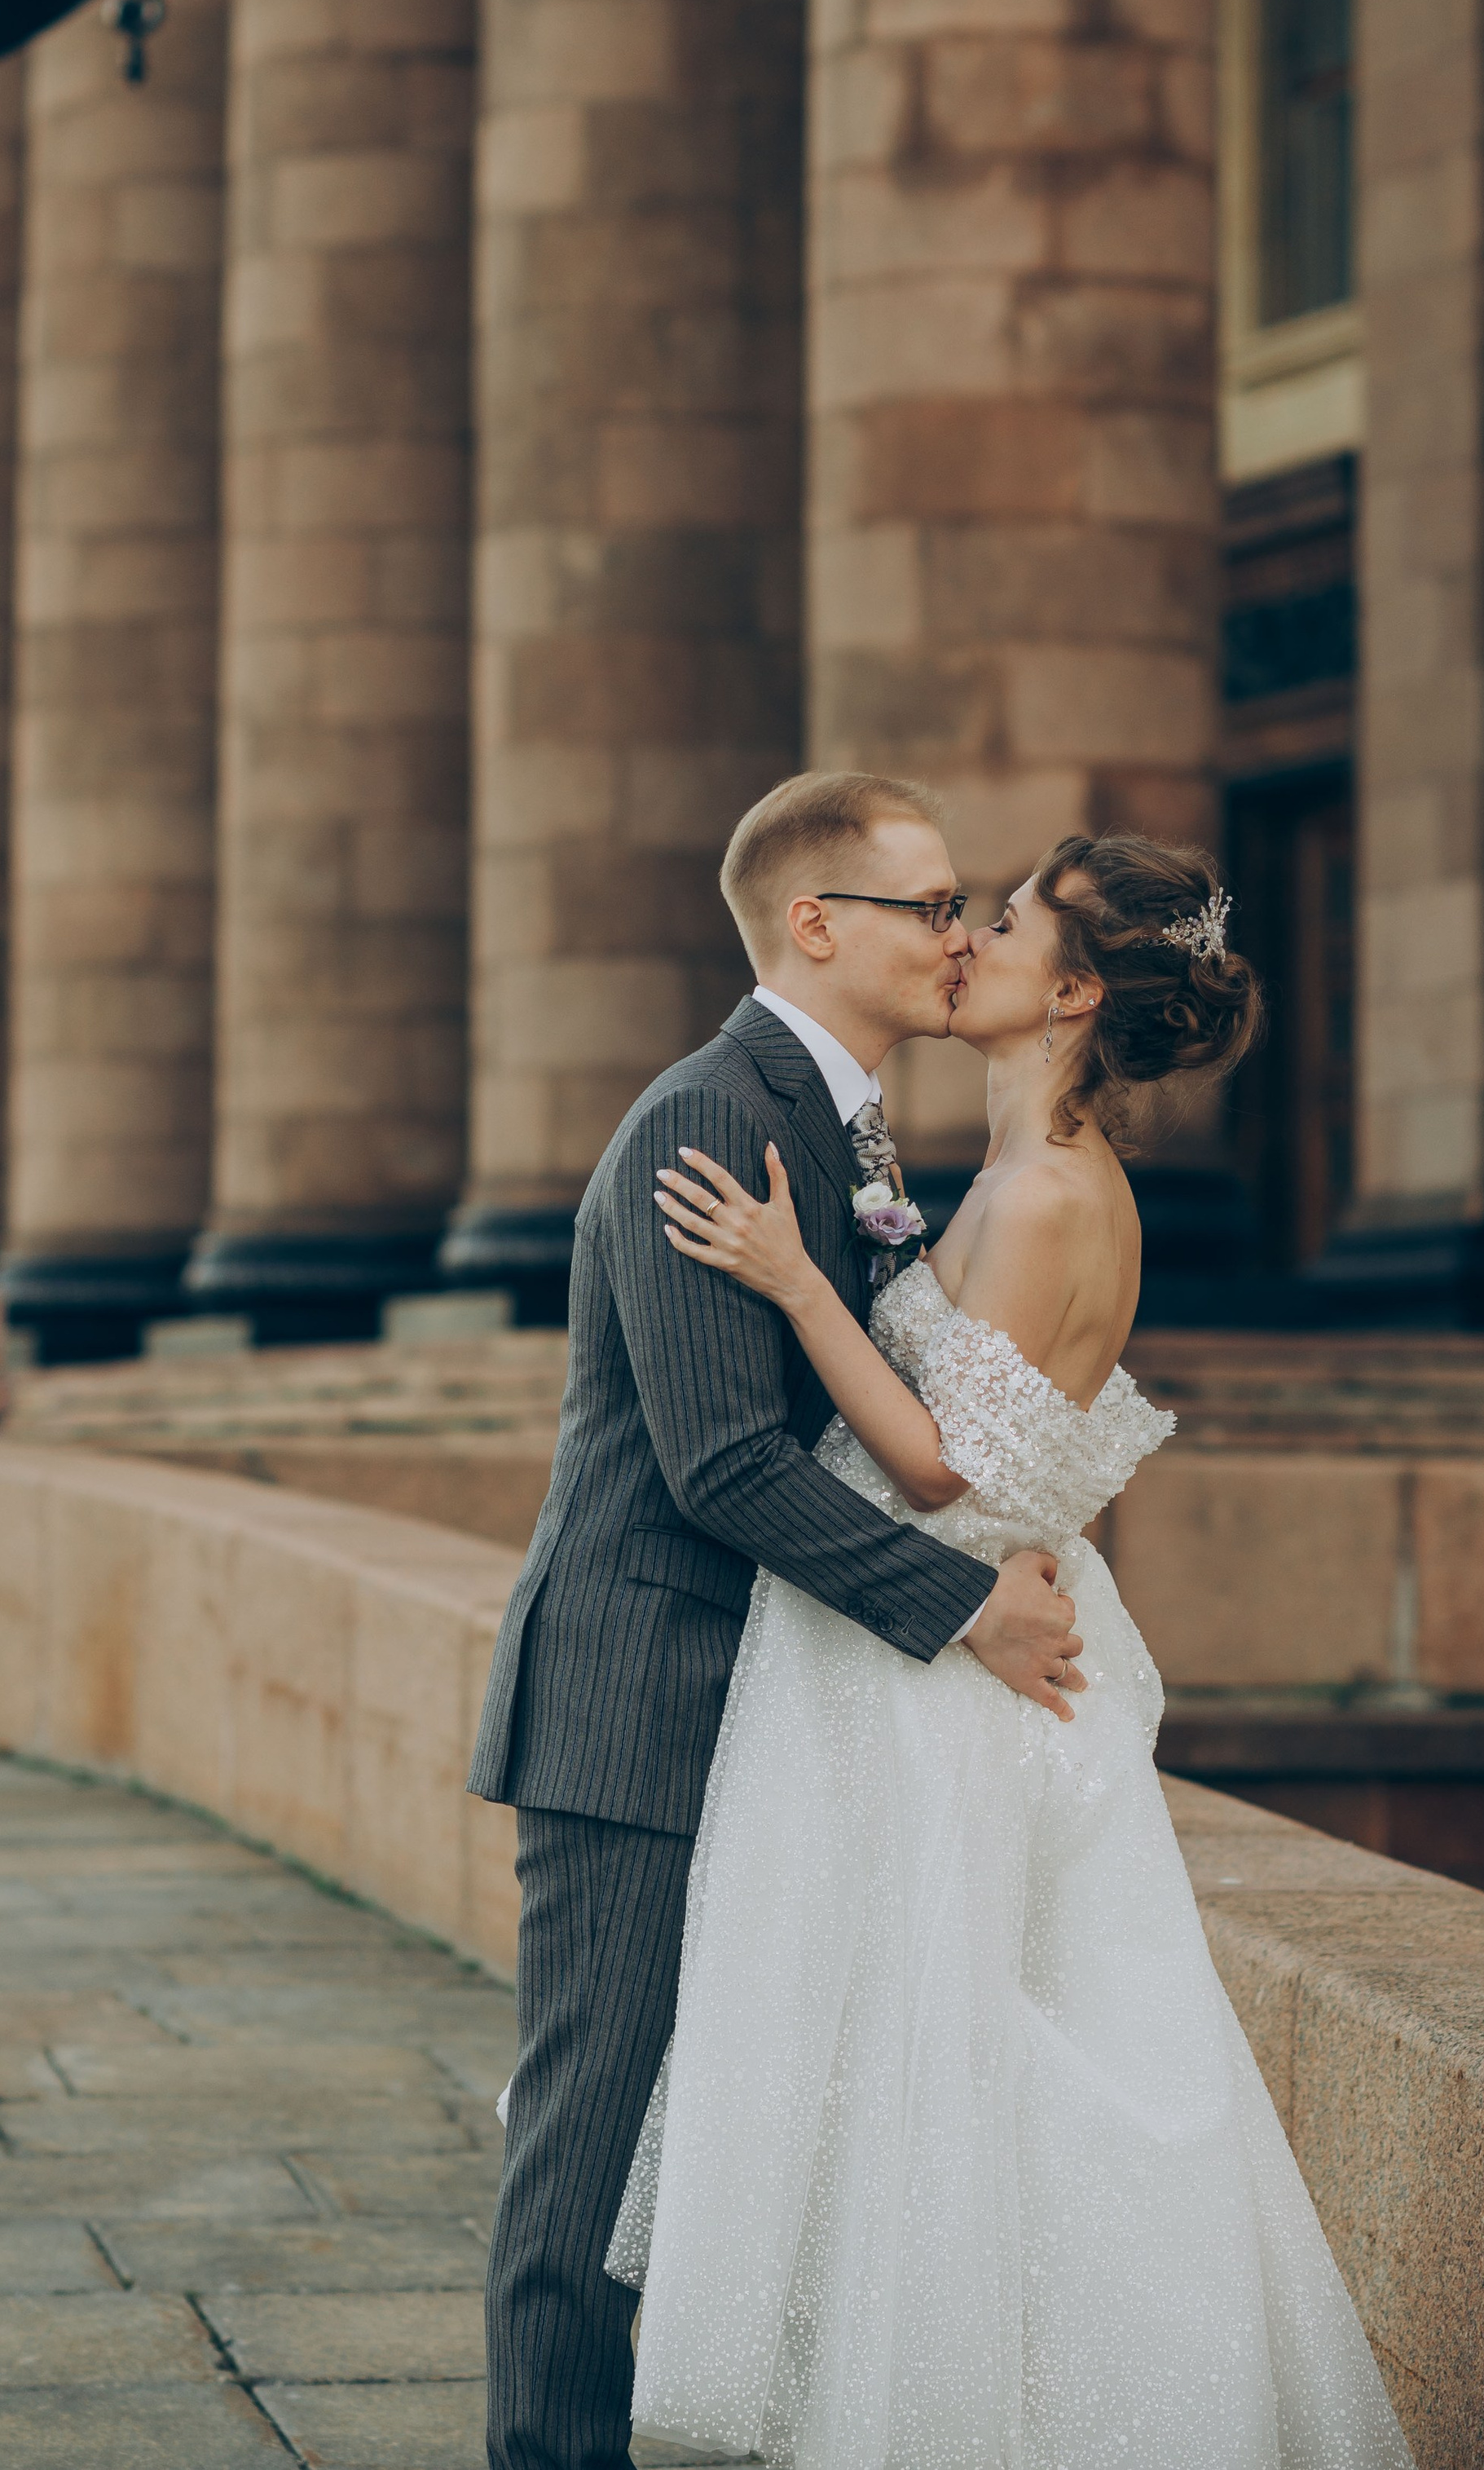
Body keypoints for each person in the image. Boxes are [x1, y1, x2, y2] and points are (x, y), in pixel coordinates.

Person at [617, 831, 1414, 2470]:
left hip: (926, 1675)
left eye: (1001, 920)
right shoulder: (1023, 1180)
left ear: (1066, 989)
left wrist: (788, 1278)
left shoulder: (1049, 1193)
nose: (962, 938)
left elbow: (933, 1465)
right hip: (934, 1644)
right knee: (915, 2066)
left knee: (930, 2071)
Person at [470, 770, 1089, 2470]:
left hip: (759, 1709)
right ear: (815, 924)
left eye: (970, 906)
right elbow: (720, 1464)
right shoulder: (701, 1116)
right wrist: (965, 1604)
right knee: (586, 2165)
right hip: (636, 1694)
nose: (960, 933)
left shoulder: (847, 1127)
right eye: (932, 904)